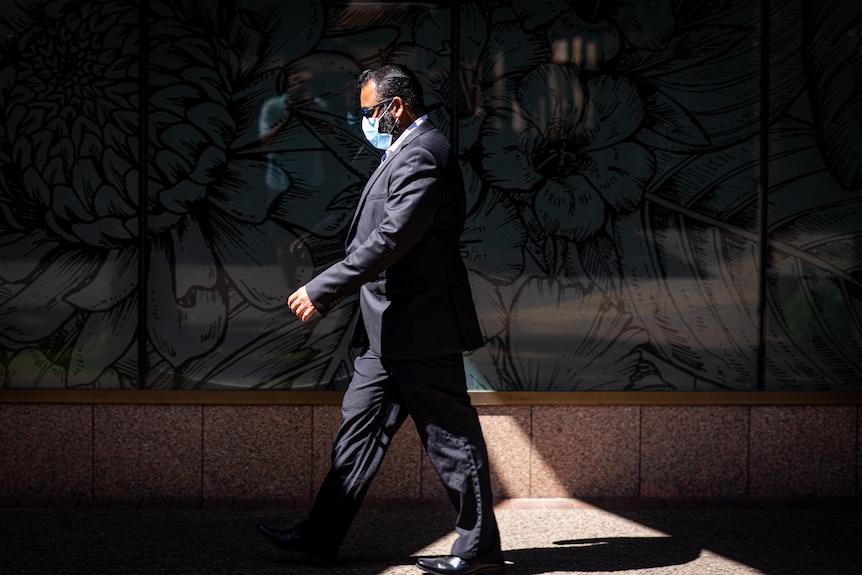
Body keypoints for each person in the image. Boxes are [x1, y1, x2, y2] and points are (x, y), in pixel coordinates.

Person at [256, 64, 505, 575]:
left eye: (368, 111)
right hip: (390, 330)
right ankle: (320, 534)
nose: (362, 121)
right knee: (358, 431)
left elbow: (392, 238)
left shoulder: (425, 155)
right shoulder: (408, 150)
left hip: (422, 326)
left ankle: (479, 551)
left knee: (452, 439)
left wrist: (322, 288)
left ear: (396, 107)